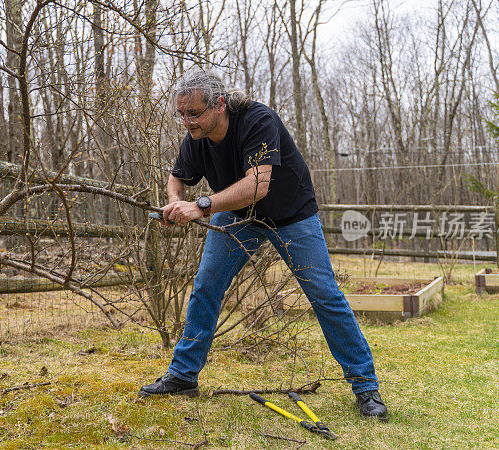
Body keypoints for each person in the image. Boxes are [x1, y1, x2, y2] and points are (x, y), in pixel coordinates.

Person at [138, 68, 388, 421]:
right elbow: (177, 177)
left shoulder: (257, 120)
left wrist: (201, 205)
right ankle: (183, 375)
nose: (187, 121)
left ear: (220, 104)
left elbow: (258, 185)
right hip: (238, 216)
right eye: (181, 114)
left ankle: (365, 387)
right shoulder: (195, 138)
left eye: (194, 113)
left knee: (325, 295)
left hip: (291, 216)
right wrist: (174, 202)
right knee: (206, 287)